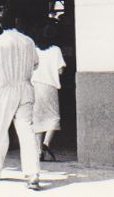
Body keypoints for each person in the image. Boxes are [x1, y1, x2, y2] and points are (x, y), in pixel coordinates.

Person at [0, 5, 41, 191]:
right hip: (25, 88)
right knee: (27, 131)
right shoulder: (28, 41)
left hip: (5, 89)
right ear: (16, 20)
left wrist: (1, 69)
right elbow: (36, 64)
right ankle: (33, 174)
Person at [32, 23, 66, 162]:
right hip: (49, 86)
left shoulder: (35, 50)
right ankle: (46, 144)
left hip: (34, 85)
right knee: (53, 117)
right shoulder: (56, 50)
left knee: (38, 118)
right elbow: (60, 70)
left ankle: (39, 151)